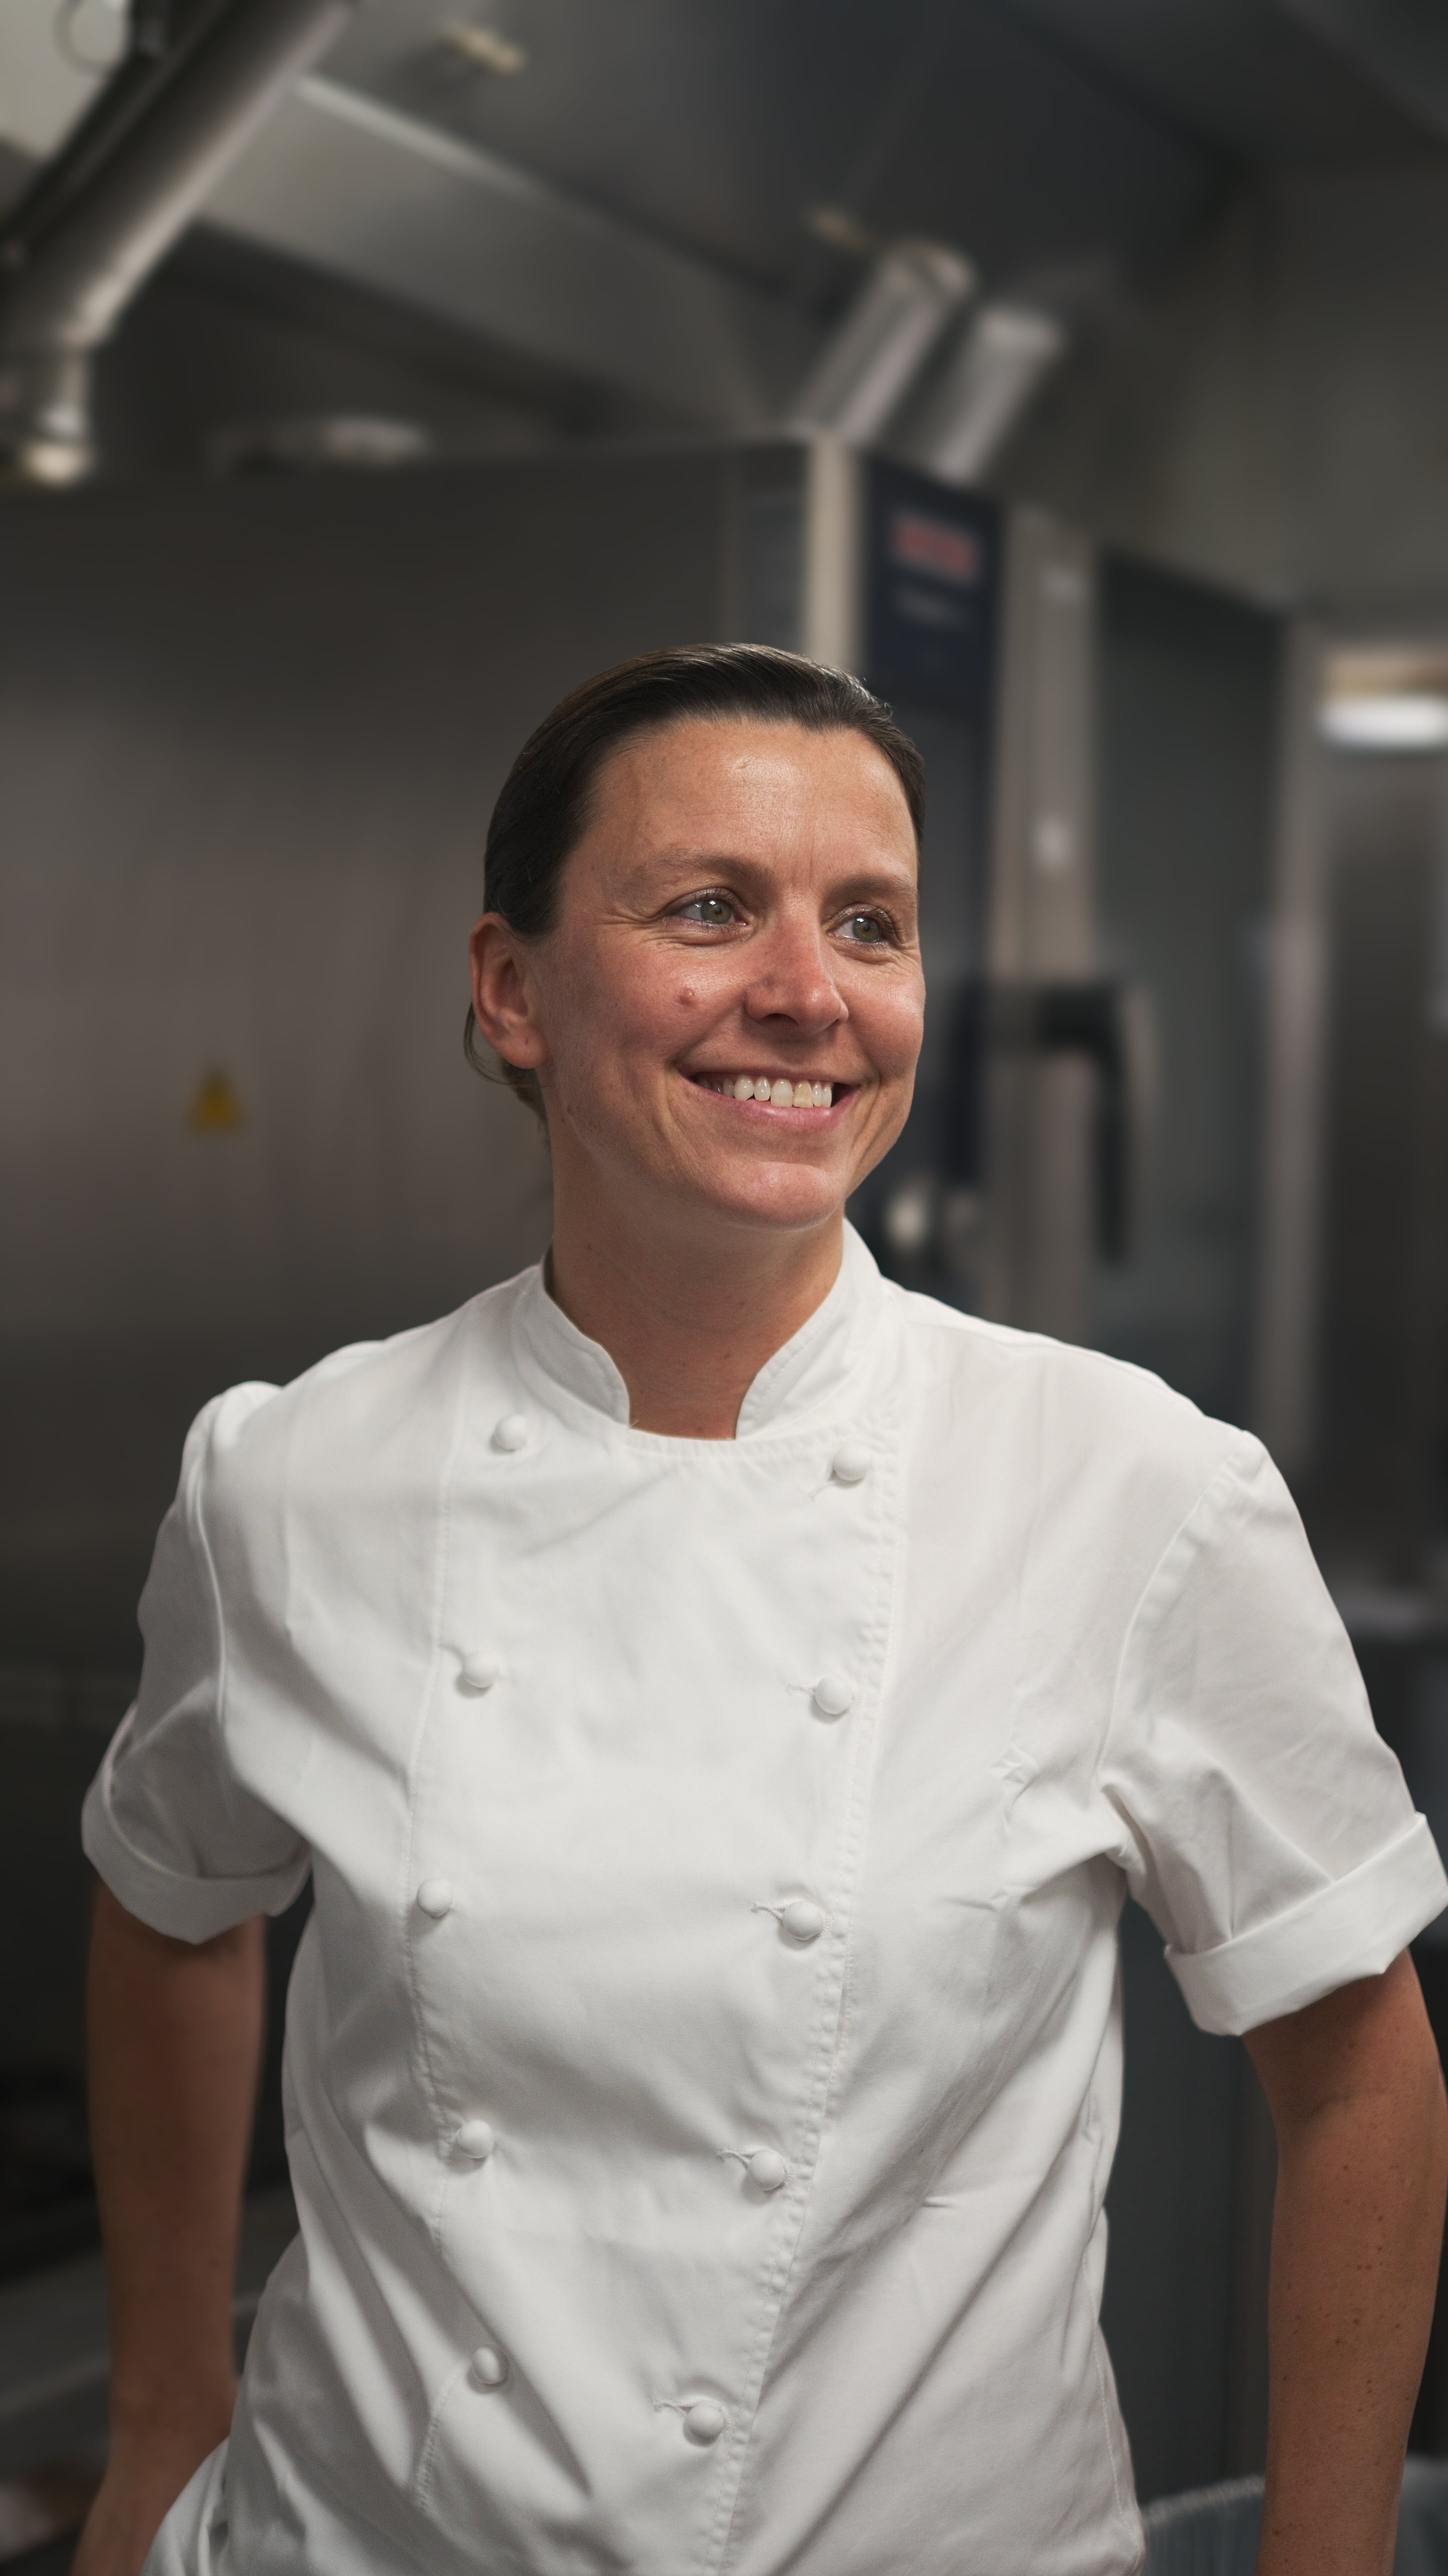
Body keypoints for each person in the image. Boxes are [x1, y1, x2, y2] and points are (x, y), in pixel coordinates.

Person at [77, 644, 1448, 2576]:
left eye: (868, 925)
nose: (805, 993)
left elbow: (1360, 2062)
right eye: (709, 908)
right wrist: (162, 2423)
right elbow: (167, 1906)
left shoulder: (1129, 1489)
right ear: (511, 991)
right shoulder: (290, 1480)